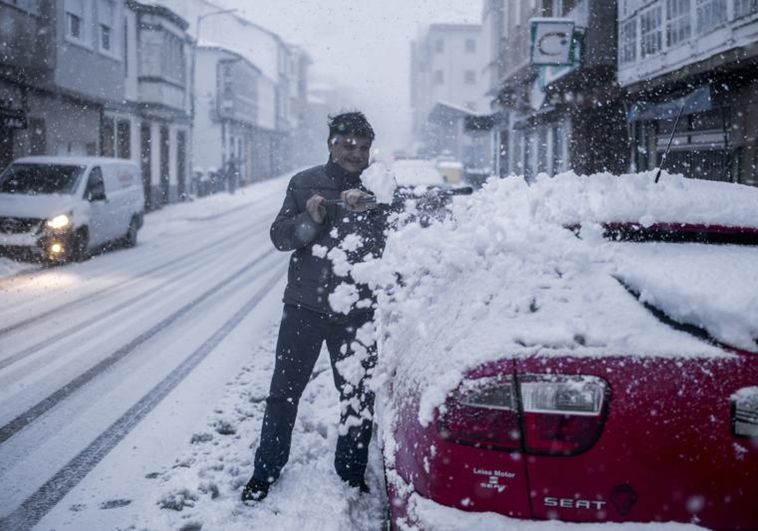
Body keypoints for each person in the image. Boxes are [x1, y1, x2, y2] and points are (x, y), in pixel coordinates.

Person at [241, 112, 387, 503]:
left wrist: (373, 212)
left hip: (358, 310)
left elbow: (398, 236)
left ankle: (351, 473)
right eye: (347, 143)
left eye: (363, 146)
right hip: (305, 306)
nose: (355, 152)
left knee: (357, 394)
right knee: (283, 393)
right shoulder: (304, 182)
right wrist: (311, 219)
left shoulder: (381, 185)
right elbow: (280, 236)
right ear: (331, 144)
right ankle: (265, 471)